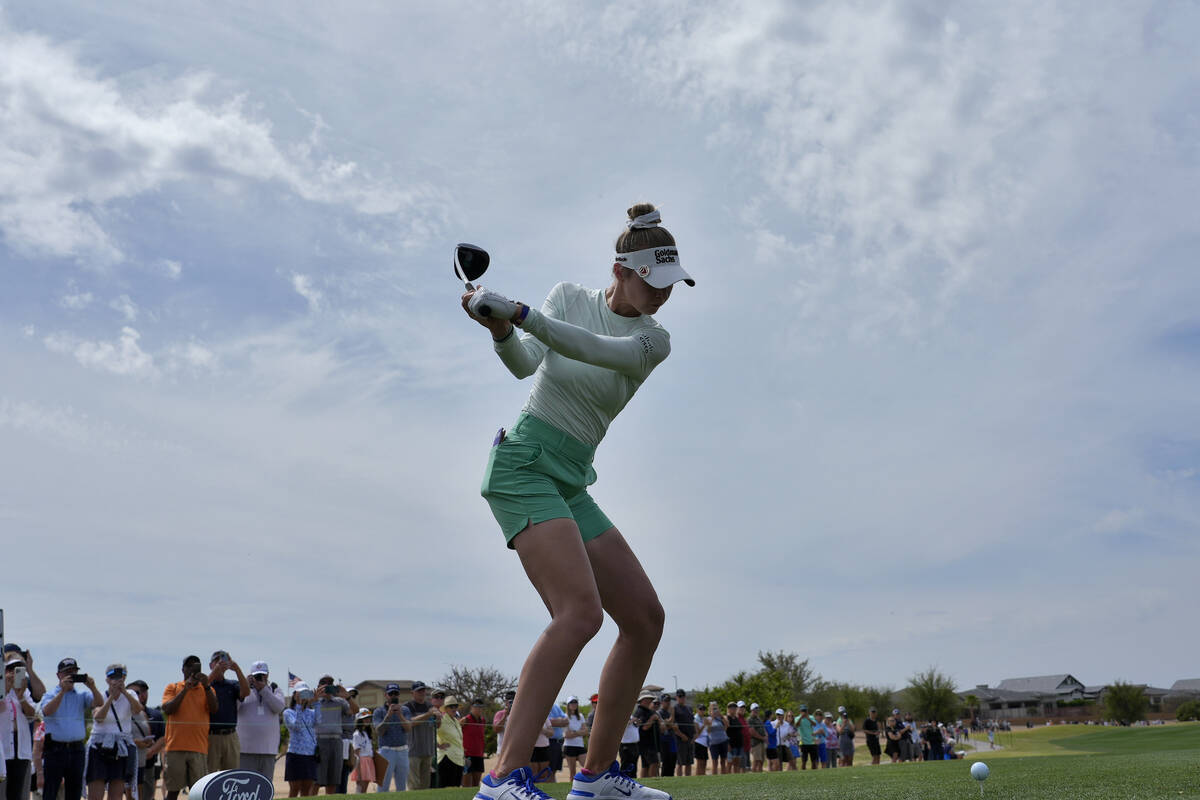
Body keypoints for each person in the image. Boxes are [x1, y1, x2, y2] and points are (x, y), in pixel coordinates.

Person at [464, 202, 693, 800]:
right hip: (523, 466)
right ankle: (502, 777)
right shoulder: (568, 296)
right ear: (620, 269)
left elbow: (594, 350)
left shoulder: (652, 340)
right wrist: (502, 331)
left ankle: (595, 780)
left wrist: (521, 314)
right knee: (580, 614)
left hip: (570, 477)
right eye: (654, 281)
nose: (664, 296)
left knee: (644, 620)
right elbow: (524, 365)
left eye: (672, 285)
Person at [41, 658, 103, 800]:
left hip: (76, 749)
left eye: (74, 672)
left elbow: (99, 703)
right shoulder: (50, 694)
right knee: (51, 791)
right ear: (59, 675)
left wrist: (92, 687)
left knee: (74, 791)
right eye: (67, 672)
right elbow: (47, 711)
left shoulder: (82, 695)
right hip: (55, 748)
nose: (71, 675)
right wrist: (62, 692)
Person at [161, 656, 217, 800]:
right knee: (173, 792)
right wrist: (185, 689)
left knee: (198, 793)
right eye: (189, 666)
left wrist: (206, 686)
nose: (192, 669)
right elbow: (168, 709)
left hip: (199, 748)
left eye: (195, 666)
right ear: (183, 670)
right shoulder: (173, 687)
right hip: (175, 748)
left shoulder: (207, 689)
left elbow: (214, 708)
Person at [86, 665, 142, 800]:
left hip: (120, 747)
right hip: (99, 746)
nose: (116, 681)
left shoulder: (131, 695)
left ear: (125, 678)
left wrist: (124, 692)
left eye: (120, 677)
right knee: (95, 795)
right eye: (112, 677)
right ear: (107, 680)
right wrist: (111, 696)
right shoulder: (101, 696)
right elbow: (99, 717)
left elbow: (137, 710)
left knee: (116, 795)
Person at [236, 662, 284, 779]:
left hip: (268, 751)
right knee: (245, 788)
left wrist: (264, 690)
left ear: (267, 675)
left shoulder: (274, 690)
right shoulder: (243, 691)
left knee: (265, 786)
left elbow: (278, 707)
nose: (259, 678)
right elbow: (233, 708)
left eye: (262, 675)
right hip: (245, 751)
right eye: (256, 676)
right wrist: (244, 687)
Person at [204, 652, 248, 773]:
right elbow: (200, 689)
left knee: (231, 774)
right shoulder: (207, 684)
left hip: (231, 736)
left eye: (223, 660)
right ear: (210, 665)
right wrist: (215, 672)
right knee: (209, 774)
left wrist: (237, 669)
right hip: (211, 736)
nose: (220, 663)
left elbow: (245, 693)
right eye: (216, 661)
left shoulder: (232, 684)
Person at [313, 677, 356, 795]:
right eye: (324, 686)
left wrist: (347, 696)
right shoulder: (314, 702)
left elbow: (355, 710)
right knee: (316, 778)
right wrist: (316, 698)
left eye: (329, 686)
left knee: (333, 779)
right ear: (318, 687)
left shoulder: (340, 702)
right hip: (319, 741)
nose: (326, 689)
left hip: (337, 741)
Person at [3, 656, 37, 800]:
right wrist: (6, 687)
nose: (13, 673)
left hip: (20, 746)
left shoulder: (23, 691)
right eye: (10, 669)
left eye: (18, 670)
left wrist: (21, 696)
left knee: (16, 791)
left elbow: (31, 715)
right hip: (3, 746)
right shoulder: (1, 689)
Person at [124, 680, 158, 800]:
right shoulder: (123, 713)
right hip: (129, 759)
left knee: (142, 793)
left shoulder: (143, 714)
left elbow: (148, 732)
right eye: (135, 692)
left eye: (141, 692)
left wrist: (148, 742)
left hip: (142, 759)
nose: (139, 695)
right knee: (130, 793)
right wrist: (136, 742)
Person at [372, 684, 409, 792]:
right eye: (390, 693)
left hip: (403, 751)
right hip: (386, 751)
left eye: (396, 693)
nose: (393, 696)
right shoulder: (379, 711)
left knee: (402, 788)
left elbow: (408, 728)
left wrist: (400, 715)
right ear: (385, 695)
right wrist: (388, 715)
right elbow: (379, 731)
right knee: (383, 787)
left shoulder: (405, 710)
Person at [401, 681, 437, 791]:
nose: (422, 693)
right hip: (413, 751)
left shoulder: (429, 705)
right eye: (419, 691)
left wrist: (438, 717)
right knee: (414, 786)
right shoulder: (407, 707)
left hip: (428, 750)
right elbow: (409, 723)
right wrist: (428, 715)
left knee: (425, 786)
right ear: (412, 693)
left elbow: (437, 725)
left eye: (423, 690)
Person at [283, 684, 318, 797]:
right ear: (294, 696)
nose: (304, 697)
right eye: (301, 694)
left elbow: (320, 722)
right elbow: (296, 727)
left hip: (310, 754)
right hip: (295, 754)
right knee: (295, 788)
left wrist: (316, 702)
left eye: (306, 694)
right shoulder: (288, 712)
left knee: (307, 789)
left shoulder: (311, 712)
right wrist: (298, 706)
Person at [435, 696, 464, 788]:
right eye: (451, 706)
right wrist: (438, 745)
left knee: (456, 788)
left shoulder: (456, 721)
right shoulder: (442, 720)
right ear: (446, 708)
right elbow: (431, 733)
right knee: (445, 788)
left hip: (458, 758)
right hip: (447, 758)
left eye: (455, 706)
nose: (454, 709)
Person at [461, 700, 489, 788]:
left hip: (479, 755)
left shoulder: (483, 720)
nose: (479, 709)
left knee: (476, 785)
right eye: (476, 706)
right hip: (467, 755)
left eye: (481, 707)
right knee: (466, 785)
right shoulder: (466, 719)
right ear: (471, 708)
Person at [349, 710, 376, 793]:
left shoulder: (366, 733)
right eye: (365, 718)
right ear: (359, 720)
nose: (368, 720)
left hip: (368, 760)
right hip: (361, 761)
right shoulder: (357, 734)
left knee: (365, 786)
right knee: (361, 787)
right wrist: (359, 770)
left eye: (368, 718)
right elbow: (356, 752)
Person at [562, 698, 589, 780]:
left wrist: (574, 732)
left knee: (587, 767)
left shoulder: (580, 716)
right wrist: (579, 732)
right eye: (571, 703)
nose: (574, 704)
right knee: (572, 772)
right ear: (568, 705)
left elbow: (586, 731)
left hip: (580, 746)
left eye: (575, 702)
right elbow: (566, 735)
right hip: (569, 746)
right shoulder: (565, 717)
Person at [671, 690, 693, 777]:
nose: (682, 698)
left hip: (690, 738)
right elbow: (673, 724)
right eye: (680, 696)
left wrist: (693, 736)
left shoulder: (689, 708)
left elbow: (692, 722)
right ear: (676, 697)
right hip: (680, 739)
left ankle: (688, 779)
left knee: (689, 762)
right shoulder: (674, 708)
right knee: (680, 762)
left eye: (683, 696)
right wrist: (681, 735)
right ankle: (680, 778)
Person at [701, 701, 727, 775]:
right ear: (710, 710)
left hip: (723, 741)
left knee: (723, 761)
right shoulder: (707, 719)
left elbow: (727, 725)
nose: (715, 710)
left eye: (716, 708)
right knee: (715, 762)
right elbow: (708, 730)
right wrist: (712, 718)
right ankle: (715, 777)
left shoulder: (721, 718)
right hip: (714, 743)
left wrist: (721, 716)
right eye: (713, 709)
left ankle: (724, 777)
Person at [655, 694, 676, 778]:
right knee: (665, 761)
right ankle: (664, 778)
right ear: (662, 702)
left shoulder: (669, 712)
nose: (668, 703)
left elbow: (672, 724)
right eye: (666, 701)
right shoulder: (659, 712)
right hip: (663, 740)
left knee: (673, 760)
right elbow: (665, 726)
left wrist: (670, 722)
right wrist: (671, 718)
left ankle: (671, 777)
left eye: (668, 701)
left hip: (671, 739)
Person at [724, 702, 744, 774]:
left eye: (735, 707)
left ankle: (736, 777)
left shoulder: (736, 718)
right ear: (728, 709)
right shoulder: (726, 718)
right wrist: (727, 744)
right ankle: (728, 777)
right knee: (730, 763)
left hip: (739, 743)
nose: (733, 709)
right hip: (731, 744)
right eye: (731, 707)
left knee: (737, 763)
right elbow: (725, 732)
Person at [796, 706, 817, 770]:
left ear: (807, 711)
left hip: (812, 742)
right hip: (803, 742)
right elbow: (796, 725)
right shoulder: (797, 718)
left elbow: (814, 724)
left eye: (805, 711)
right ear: (800, 711)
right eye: (802, 711)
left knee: (813, 761)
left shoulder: (811, 717)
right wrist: (801, 718)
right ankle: (803, 773)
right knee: (804, 761)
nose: (804, 712)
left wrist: (808, 718)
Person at [747, 704, 767, 773]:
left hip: (761, 743)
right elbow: (752, 732)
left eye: (757, 709)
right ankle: (754, 776)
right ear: (751, 710)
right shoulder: (750, 720)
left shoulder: (758, 719)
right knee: (756, 761)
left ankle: (760, 775)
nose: (756, 711)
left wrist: (765, 737)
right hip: (755, 743)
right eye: (754, 710)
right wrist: (762, 738)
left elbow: (763, 729)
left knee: (761, 761)